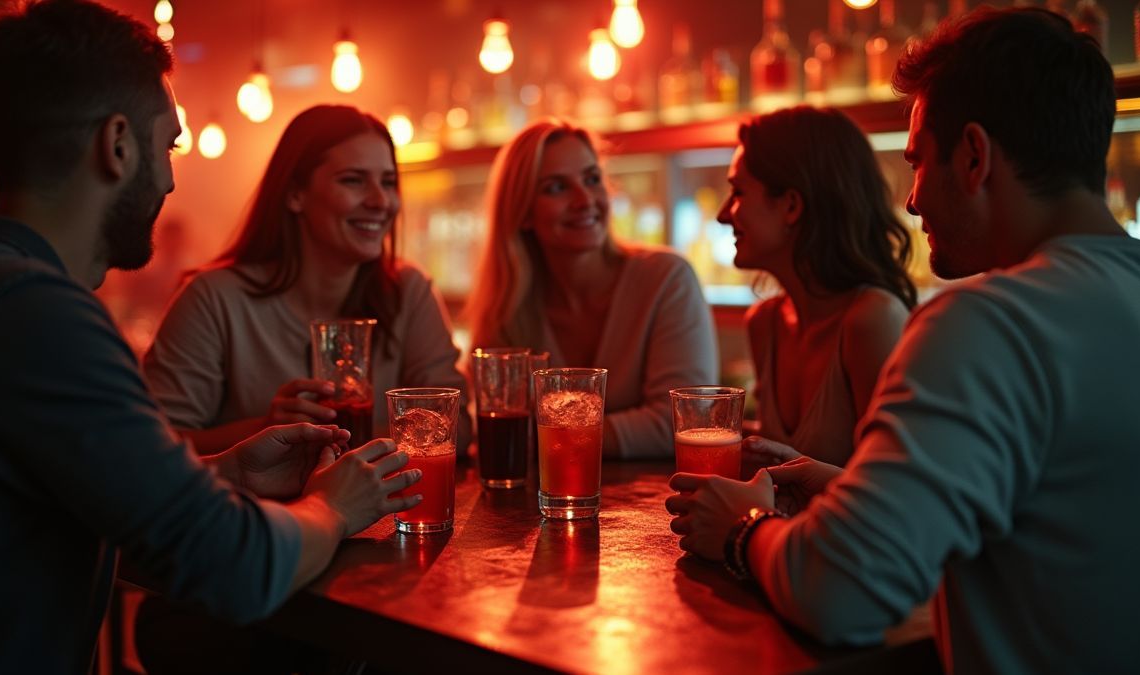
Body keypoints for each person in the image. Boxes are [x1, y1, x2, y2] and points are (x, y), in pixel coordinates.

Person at [667, 7, 1140, 674]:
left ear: (974, 156)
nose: (913, 200)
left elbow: (841, 591)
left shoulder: (984, 326)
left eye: (918, 161)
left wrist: (745, 531)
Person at [0, 2, 420, 673]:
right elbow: (236, 566)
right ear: (116, 145)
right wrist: (332, 505)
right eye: (168, 145)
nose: (171, 178)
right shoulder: (33, 314)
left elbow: (82, 507)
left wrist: (223, 470)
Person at [143, 104, 471, 453]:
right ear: (295, 194)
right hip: (254, 508)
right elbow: (149, 444)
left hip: (382, 508)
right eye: (353, 180)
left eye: (388, 182)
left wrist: (327, 439)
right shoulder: (213, 300)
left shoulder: (408, 291)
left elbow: (457, 427)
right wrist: (265, 429)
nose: (380, 201)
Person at [466, 119, 718, 458]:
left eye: (592, 179)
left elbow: (684, 422)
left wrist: (552, 440)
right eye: (556, 188)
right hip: (542, 505)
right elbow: (489, 425)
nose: (585, 199)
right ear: (522, 212)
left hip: (656, 505)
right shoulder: (508, 309)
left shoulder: (666, 279)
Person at [717, 105, 916, 469]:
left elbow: (899, 490)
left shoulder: (873, 320)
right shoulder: (765, 323)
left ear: (791, 205)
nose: (723, 213)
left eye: (738, 192)